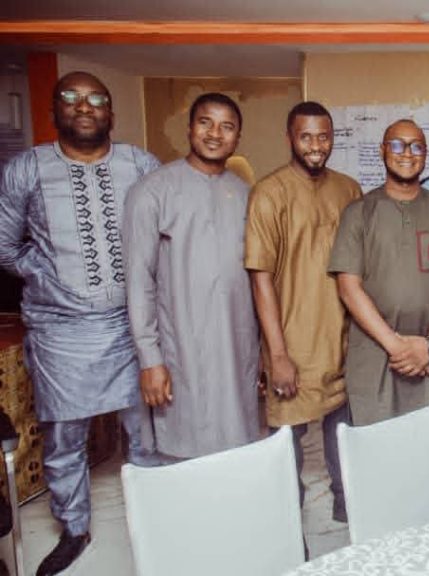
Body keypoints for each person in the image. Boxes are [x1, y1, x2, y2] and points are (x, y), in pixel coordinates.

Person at [0, 71, 161, 575]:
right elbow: (4, 245)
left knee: (145, 428)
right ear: (54, 111)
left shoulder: (140, 164)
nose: (84, 106)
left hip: (130, 324)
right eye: (71, 97)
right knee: (64, 438)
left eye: (96, 98)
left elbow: (164, 231)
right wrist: (45, 274)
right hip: (60, 332)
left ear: (111, 112)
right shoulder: (26, 169)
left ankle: (154, 512)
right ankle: (74, 529)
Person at [124, 93, 260, 462]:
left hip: (236, 347)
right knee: (183, 452)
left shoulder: (246, 195)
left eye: (227, 127)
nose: (215, 133)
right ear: (189, 128)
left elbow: (258, 280)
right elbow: (138, 282)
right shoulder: (152, 191)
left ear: (238, 137)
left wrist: (264, 353)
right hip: (180, 348)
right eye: (205, 123)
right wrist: (150, 359)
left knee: (238, 448)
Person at [245, 101, 362, 522]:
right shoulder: (269, 192)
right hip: (292, 341)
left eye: (323, 137)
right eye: (306, 136)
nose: (316, 145)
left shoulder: (348, 189)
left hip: (340, 337)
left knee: (343, 433)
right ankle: (286, 524)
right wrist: (277, 354)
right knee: (285, 443)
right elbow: (260, 278)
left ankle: (347, 509)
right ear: (290, 138)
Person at [330, 119, 429, 425]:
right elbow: (348, 289)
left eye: (416, 146)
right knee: (377, 446)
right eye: (397, 144)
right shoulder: (358, 213)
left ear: (425, 154)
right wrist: (398, 347)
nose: (407, 153)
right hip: (376, 356)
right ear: (383, 150)